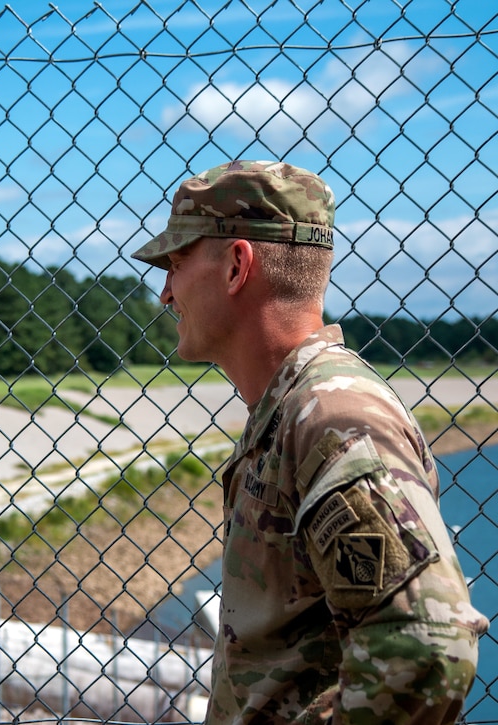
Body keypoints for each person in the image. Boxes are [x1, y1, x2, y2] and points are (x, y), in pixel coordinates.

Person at [129, 160, 487, 724]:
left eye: (176, 263)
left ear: (236, 266)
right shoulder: (293, 407)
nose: (166, 293)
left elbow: (425, 647)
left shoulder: (333, 417)